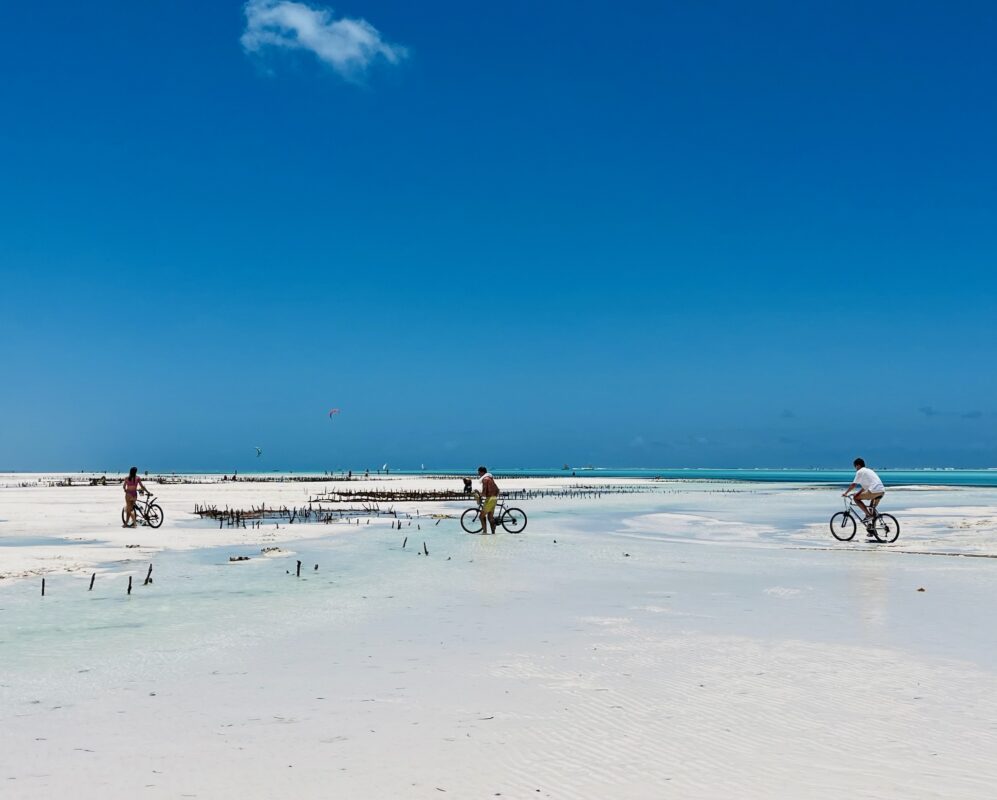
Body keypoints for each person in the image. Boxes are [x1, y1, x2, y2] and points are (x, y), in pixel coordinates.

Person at [842, 458, 885, 528]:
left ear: (858, 465)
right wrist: (858, 493)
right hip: (881, 491)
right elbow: (865, 487)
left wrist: (846, 493)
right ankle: (872, 530)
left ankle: (868, 515)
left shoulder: (860, 471)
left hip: (873, 491)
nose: (855, 469)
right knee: (871, 509)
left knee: (856, 499)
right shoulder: (869, 470)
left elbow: (853, 485)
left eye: (855, 466)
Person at [477, 466, 500, 534]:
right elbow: (497, 489)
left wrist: (478, 494)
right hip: (494, 498)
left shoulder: (485, 479)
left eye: (479, 473)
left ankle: (484, 531)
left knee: (481, 516)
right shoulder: (490, 478)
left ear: (482, 472)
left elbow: (484, 492)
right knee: (490, 517)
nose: (478, 474)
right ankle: (493, 533)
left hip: (490, 499)